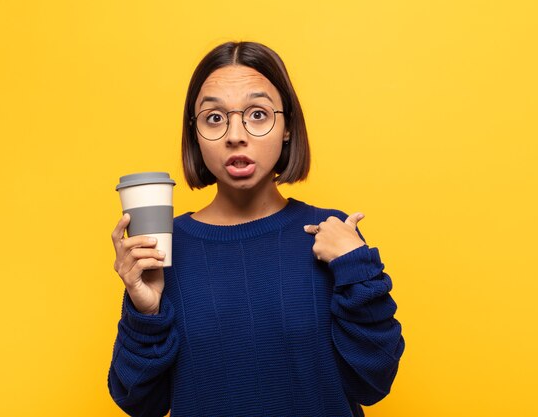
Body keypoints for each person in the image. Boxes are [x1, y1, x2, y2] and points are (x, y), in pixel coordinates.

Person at [108, 41, 404, 417]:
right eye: (214, 118)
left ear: (287, 127)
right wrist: (145, 312)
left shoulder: (331, 235)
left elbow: (373, 382)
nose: (235, 135)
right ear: (195, 134)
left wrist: (357, 269)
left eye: (258, 114)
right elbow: (139, 402)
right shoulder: (164, 247)